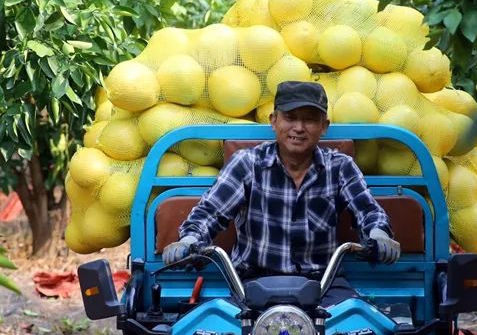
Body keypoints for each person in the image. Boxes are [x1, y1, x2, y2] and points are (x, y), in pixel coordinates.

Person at [162, 81, 400, 300]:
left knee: (357, 326)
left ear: (324, 126)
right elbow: (210, 213)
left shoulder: (339, 166)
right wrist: (189, 241)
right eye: (290, 118)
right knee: (222, 330)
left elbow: (368, 211)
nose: (299, 128)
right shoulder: (247, 163)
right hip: (252, 282)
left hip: (323, 284)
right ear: (273, 121)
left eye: (309, 120)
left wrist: (379, 235)